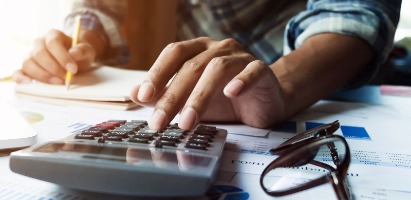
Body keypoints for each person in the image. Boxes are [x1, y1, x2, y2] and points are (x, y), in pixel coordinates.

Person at [13, 0, 402, 131]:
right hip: (176, 100)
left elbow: (354, 10)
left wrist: (282, 85)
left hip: (316, 89)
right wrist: (85, 41)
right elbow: (100, 8)